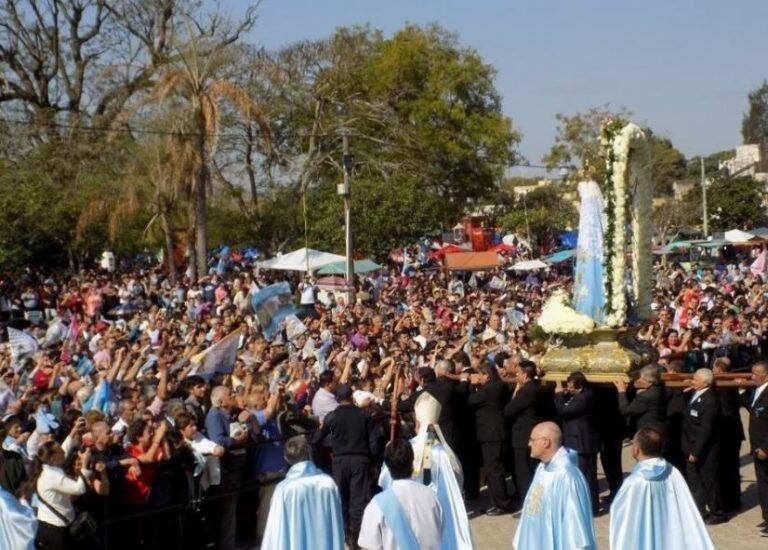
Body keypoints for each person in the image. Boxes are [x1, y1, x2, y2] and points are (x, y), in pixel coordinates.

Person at [379, 391, 474, 550]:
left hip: (410, 512)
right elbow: (458, 481)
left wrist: (389, 453)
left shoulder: (405, 449)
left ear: (417, 422)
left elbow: (386, 479)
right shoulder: (445, 454)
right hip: (441, 512)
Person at [609, 427, 714, 550]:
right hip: (670, 538)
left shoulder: (633, 482)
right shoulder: (673, 473)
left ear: (636, 449)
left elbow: (622, 518)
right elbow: (685, 507)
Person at [513, 421, 596, 550]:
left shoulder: (567, 476)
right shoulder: (542, 467)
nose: (529, 444)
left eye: (532, 440)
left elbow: (574, 528)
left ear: (545, 442)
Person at [313, 383, 377, 549]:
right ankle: (356, 538)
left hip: (340, 462)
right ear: (352, 397)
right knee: (359, 500)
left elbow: (317, 438)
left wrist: (318, 462)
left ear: (338, 398)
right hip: (360, 460)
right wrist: (373, 462)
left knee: (342, 498)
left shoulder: (332, 416)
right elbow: (373, 441)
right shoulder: (364, 414)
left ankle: (346, 534)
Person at [261, 435, 345, 550]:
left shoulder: (283, 489)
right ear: (309, 454)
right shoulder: (328, 483)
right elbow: (336, 526)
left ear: (286, 458)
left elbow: (276, 532)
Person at [359, 438, 443, 550]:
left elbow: (369, 545)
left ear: (387, 467)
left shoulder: (377, 504)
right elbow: (441, 531)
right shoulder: (432, 497)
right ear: (412, 461)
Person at [467, 364, 513, 514]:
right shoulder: (501, 386)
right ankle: (497, 502)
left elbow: (471, 401)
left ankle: (502, 504)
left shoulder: (488, 389)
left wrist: (471, 385)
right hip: (496, 432)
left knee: (494, 469)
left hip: (491, 434)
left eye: (480, 374)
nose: (478, 377)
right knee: (494, 468)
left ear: (486, 375)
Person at [683, 368, 727, 524]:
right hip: (690, 445)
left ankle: (718, 512)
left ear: (705, 382)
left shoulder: (710, 400)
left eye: (695, 379)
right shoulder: (696, 393)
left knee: (709, 481)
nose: (692, 381)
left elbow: (706, 429)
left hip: (704, 449)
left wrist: (696, 451)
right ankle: (700, 510)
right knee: (696, 481)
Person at [553, 371, 600, 514]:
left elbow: (563, 410)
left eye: (571, 387)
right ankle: (590, 505)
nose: (569, 390)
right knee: (588, 475)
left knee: (584, 476)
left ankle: (590, 506)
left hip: (580, 441)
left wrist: (559, 394)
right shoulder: (586, 394)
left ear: (579, 387)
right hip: (583, 440)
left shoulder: (582, 399)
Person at [34, 441, 94, 550]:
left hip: (46, 526)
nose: (64, 452)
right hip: (55, 529)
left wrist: (72, 434)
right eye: (61, 451)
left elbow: (64, 449)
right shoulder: (53, 476)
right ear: (53, 458)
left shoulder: (47, 469)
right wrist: (85, 464)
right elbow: (80, 488)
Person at [503, 360, 545, 504]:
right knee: (534, 469)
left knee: (524, 472)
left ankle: (528, 503)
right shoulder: (540, 387)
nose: (517, 375)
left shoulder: (526, 390)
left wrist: (515, 392)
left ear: (525, 375)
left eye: (518, 373)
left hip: (524, 435)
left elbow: (509, 410)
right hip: (536, 432)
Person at [712, 357, 745, 512]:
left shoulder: (724, 386)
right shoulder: (729, 383)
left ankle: (729, 502)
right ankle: (733, 500)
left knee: (727, 468)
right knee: (731, 467)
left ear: (719, 370)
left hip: (727, 431)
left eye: (714, 369)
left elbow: (725, 409)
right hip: (732, 431)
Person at [741, 361, 768, 536]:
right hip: (758, 447)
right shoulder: (758, 389)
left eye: (755, 374)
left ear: (765, 376)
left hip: (765, 448)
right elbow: (753, 409)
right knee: (763, 484)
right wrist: (742, 391)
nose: (752, 377)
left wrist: (766, 447)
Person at [615, 365, 666, 434]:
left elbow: (625, 411)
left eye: (640, 378)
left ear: (650, 382)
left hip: (649, 433)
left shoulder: (646, 396)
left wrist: (621, 391)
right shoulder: (659, 387)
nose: (636, 380)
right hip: (657, 429)